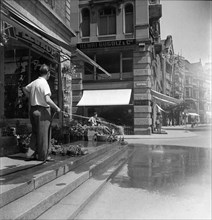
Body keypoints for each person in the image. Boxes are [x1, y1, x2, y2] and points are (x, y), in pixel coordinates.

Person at [23, 64, 61, 161]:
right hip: (42, 111)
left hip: (33, 110)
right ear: (48, 73)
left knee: (35, 133)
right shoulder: (44, 83)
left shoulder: (35, 82)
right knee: (44, 134)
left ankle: (30, 154)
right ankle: (43, 157)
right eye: (49, 74)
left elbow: (25, 89)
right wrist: (57, 108)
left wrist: (31, 97)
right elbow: (47, 100)